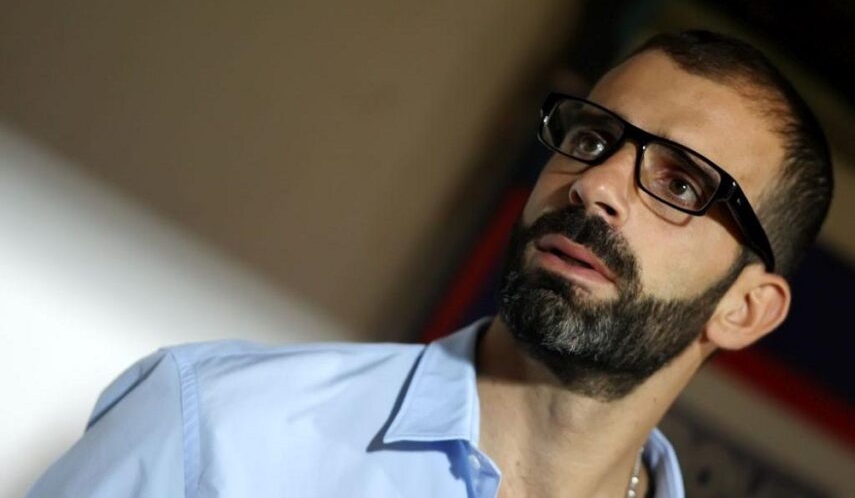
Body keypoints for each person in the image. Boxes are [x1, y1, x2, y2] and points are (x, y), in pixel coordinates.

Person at [26, 30, 833, 498]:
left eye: (681, 184)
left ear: (745, 308)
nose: (594, 186)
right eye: (591, 139)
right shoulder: (220, 428)